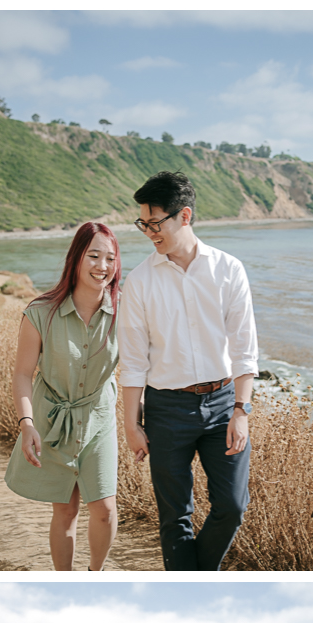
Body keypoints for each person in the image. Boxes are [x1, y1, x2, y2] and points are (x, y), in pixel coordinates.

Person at [117, 171, 258, 571]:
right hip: (166, 409)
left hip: (222, 403)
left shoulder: (228, 269)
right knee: (175, 518)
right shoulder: (141, 281)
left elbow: (245, 349)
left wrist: (241, 412)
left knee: (232, 507)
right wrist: (131, 423)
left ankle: (193, 578)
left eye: (155, 222)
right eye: (142, 223)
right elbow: (133, 361)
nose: (149, 232)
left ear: (185, 216)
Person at [5, 222, 121, 571]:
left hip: (99, 419)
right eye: (94, 256)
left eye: (111, 258)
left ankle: (94, 576)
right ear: (76, 258)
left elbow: (141, 368)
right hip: (51, 419)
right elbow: (23, 374)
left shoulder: (126, 311)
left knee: (104, 509)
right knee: (66, 509)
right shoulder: (40, 312)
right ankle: (65, 580)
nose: (102, 266)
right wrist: (27, 424)